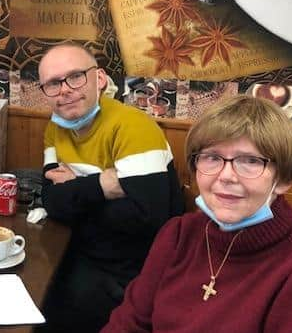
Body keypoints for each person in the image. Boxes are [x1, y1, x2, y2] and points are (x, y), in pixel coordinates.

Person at [102, 95, 292, 332]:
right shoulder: (178, 235)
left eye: (250, 160)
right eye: (212, 157)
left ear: (283, 180)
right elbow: (128, 323)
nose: (226, 176)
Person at [36, 44, 184, 332]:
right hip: (79, 250)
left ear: (100, 79)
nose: (64, 89)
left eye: (75, 76)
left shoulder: (133, 127)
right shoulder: (56, 128)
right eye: (53, 83)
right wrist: (103, 184)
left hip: (133, 268)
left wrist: (75, 191)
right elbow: (51, 200)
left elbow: (147, 219)